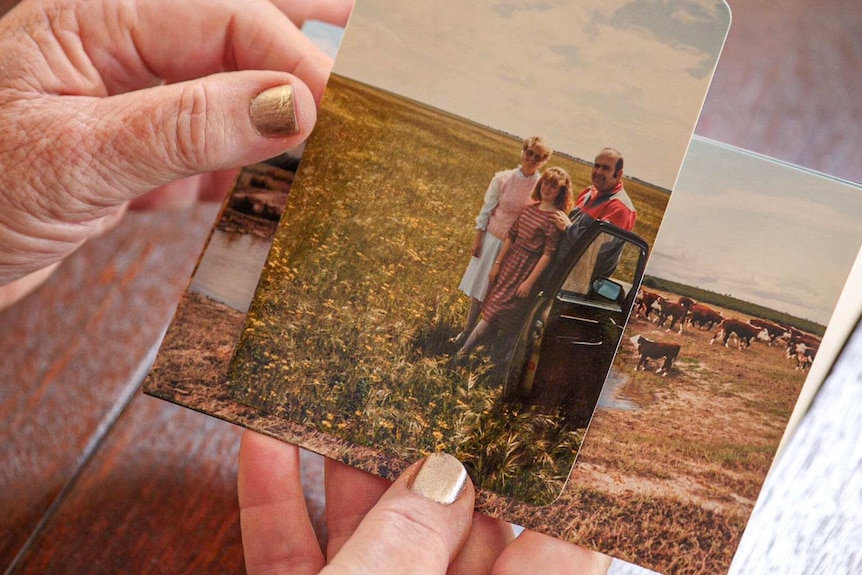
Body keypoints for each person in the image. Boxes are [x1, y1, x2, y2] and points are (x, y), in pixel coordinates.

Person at [0, 0, 612, 572]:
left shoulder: (551, 211)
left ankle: (462, 350)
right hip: (497, 252)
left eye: (547, 174)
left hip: (514, 264)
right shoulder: (510, 184)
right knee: (474, 301)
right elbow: (492, 216)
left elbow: (547, 245)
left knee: (487, 313)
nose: (540, 176)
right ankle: (458, 345)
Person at [459, 167, 573, 358]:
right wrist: (497, 264)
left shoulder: (554, 218)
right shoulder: (530, 208)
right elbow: (511, 236)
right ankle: (484, 353)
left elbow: (548, 254)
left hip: (525, 270)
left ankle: (463, 352)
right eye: (545, 182)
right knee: (492, 307)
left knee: (497, 313)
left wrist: (529, 282)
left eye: (554, 186)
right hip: (509, 264)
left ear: (561, 192)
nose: (547, 188)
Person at [454, 136, 552, 344]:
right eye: (530, 153)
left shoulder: (541, 186)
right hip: (492, 240)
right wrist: (477, 239)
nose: (532, 159)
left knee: (501, 293)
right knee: (481, 289)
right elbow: (486, 211)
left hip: (517, 248)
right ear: (523, 152)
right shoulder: (502, 179)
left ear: (544, 161)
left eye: (538, 156)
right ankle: (467, 331)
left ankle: (486, 338)